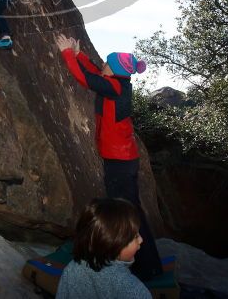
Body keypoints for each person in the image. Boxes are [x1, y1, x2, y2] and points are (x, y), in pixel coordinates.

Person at [56, 34, 163, 281]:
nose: (102, 64)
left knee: (126, 212)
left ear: (113, 70)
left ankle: (145, 266)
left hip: (121, 162)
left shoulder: (115, 87)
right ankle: (146, 264)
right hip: (121, 158)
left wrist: (66, 53)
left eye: (106, 63)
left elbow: (86, 78)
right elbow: (94, 70)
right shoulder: (117, 82)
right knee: (128, 209)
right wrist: (78, 53)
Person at [56, 198, 153, 299]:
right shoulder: (134, 291)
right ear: (115, 243)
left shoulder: (72, 269)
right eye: (135, 237)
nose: (141, 239)